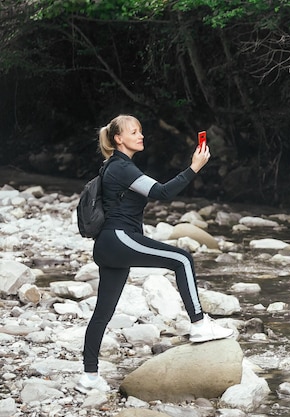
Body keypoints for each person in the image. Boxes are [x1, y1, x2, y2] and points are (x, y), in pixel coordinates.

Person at [76, 114, 233, 394]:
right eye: (134, 132)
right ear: (118, 139)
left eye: (141, 131)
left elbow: (154, 192)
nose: (141, 135)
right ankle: (199, 323)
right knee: (182, 259)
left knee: (103, 312)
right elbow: (162, 192)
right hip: (119, 238)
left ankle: (89, 377)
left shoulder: (115, 167)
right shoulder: (121, 168)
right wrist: (194, 168)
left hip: (110, 245)